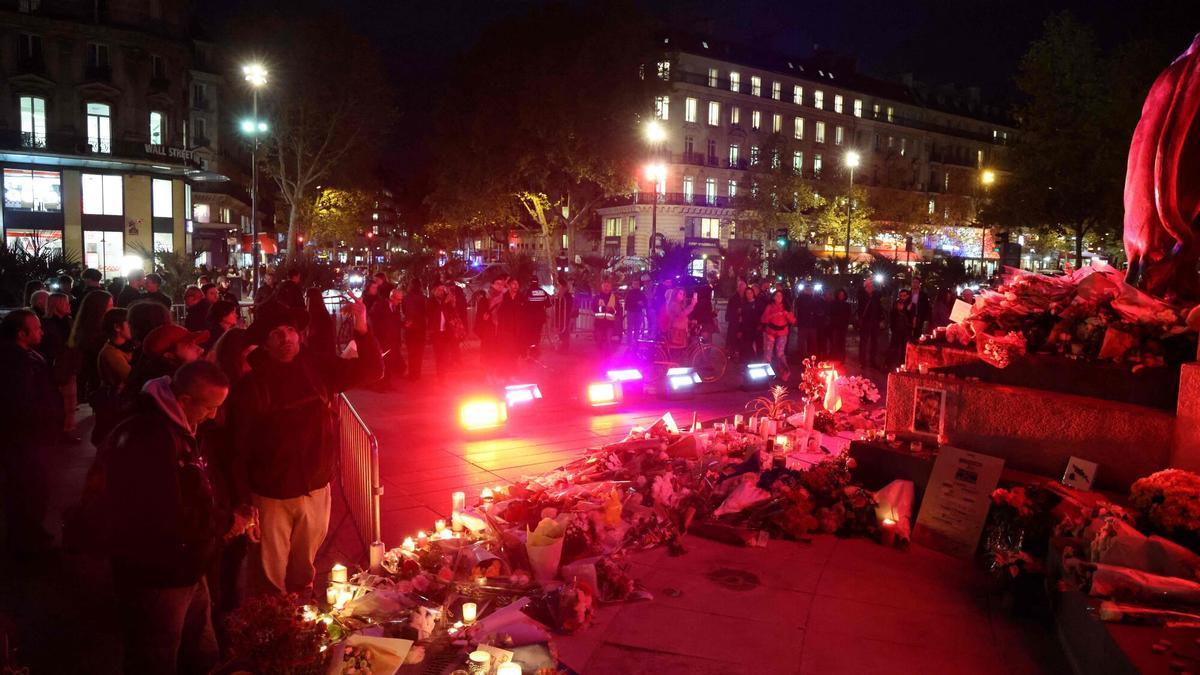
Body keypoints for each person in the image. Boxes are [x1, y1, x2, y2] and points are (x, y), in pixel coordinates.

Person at [230, 298, 381, 594]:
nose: (286, 338)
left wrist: (362, 328)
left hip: (315, 486)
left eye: (290, 330)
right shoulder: (251, 386)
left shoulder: (319, 368)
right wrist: (243, 501)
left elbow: (371, 370)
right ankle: (272, 618)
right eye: (276, 333)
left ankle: (302, 611)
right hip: (271, 493)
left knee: (304, 568)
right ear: (265, 343)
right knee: (269, 574)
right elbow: (237, 448)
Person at [105, 360, 234, 675]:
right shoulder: (149, 437)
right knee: (156, 656)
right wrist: (225, 524)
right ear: (185, 400)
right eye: (210, 407)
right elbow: (166, 516)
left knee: (202, 651)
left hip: (188, 564)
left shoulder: (179, 425)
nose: (213, 415)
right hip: (158, 574)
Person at [202, 329, 259, 652]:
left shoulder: (242, 390)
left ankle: (228, 627)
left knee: (232, 564)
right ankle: (224, 637)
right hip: (223, 495)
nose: (254, 364)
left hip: (231, 492)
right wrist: (240, 503)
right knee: (223, 569)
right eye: (249, 357)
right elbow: (228, 456)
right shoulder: (224, 398)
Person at [0, 309, 61, 555]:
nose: (42, 332)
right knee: (26, 487)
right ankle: (24, 541)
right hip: (24, 437)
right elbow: (21, 402)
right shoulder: (13, 362)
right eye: (36, 328)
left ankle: (31, 531)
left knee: (34, 487)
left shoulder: (28, 356)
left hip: (31, 434)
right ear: (21, 334)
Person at [126, 324, 208, 397]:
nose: (201, 349)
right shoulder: (172, 387)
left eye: (195, 344)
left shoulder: (144, 376)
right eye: (189, 346)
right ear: (169, 355)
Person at [39, 293, 78, 440]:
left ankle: (66, 430)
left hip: (68, 365)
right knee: (57, 401)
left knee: (70, 401)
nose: (69, 305)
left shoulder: (69, 321)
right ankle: (58, 431)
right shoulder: (46, 324)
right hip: (55, 367)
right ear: (57, 304)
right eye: (66, 303)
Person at [69, 290, 114, 404]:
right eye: (109, 306)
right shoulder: (93, 336)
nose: (112, 309)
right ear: (98, 309)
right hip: (94, 391)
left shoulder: (85, 331)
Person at [369, 286, 406, 387]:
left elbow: (395, 322)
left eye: (401, 299)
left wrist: (403, 324)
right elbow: (374, 320)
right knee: (383, 362)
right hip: (383, 339)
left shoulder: (395, 308)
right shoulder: (380, 305)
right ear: (392, 297)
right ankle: (381, 384)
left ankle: (387, 383)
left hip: (393, 340)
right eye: (398, 299)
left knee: (390, 362)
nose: (400, 302)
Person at [761, 290, 796, 379]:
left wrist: (786, 314)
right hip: (770, 332)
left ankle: (784, 373)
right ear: (773, 297)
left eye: (780, 296)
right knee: (768, 353)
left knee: (780, 354)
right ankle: (766, 373)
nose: (779, 297)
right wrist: (772, 315)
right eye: (777, 295)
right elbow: (763, 319)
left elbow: (793, 321)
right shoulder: (769, 306)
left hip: (782, 332)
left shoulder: (786, 307)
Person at [402, 279, 427, 381]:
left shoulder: (407, 298)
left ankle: (412, 374)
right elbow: (426, 312)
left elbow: (404, 310)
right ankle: (417, 373)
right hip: (421, 328)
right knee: (419, 352)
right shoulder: (423, 298)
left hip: (411, 328)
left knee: (411, 352)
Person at [856, 278, 884, 369]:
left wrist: (882, 284)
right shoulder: (862, 295)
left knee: (874, 342)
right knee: (864, 342)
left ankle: (872, 361)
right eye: (869, 286)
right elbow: (859, 292)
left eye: (872, 285)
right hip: (865, 321)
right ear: (865, 287)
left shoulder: (876, 295)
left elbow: (883, 294)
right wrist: (864, 284)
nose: (871, 287)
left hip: (875, 321)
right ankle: (862, 361)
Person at [793, 286, 821, 359]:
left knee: (812, 342)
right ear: (804, 290)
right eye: (807, 289)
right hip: (803, 324)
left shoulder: (814, 299)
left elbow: (817, 310)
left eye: (810, 289)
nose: (809, 291)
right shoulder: (800, 299)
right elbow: (797, 310)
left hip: (812, 324)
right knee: (802, 342)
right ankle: (802, 357)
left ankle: (812, 357)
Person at [887, 296, 915, 368]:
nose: (901, 306)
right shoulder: (894, 312)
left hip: (904, 333)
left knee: (904, 350)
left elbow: (909, 321)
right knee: (893, 349)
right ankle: (888, 364)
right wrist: (894, 330)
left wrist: (909, 327)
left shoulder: (906, 312)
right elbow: (892, 323)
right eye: (899, 304)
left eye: (902, 304)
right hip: (897, 333)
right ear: (896, 305)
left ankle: (902, 364)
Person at [593, 280, 620, 353]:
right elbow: (594, 308)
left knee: (609, 340)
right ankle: (600, 353)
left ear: (610, 287)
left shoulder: (614, 298)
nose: (606, 288)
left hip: (609, 322)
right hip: (599, 322)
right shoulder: (597, 297)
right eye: (604, 286)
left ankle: (608, 354)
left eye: (608, 286)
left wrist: (611, 310)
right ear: (601, 287)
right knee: (599, 341)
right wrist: (604, 309)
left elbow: (618, 310)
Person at [737, 286, 762, 361]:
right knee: (747, 345)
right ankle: (749, 360)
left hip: (755, 328)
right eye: (747, 293)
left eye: (750, 293)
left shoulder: (758, 303)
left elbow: (760, 315)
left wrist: (760, 325)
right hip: (746, 328)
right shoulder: (744, 305)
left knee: (756, 346)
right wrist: (740, 329)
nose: (749, 294)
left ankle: (756, 360)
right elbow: (741, 318)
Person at [827, 289, 852, 361]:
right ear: (837, 295)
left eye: (843, 295)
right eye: (840, 295)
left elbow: (848, 315)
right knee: (835, 343)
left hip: (843, 327)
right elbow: (830, 314)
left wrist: (846, 323)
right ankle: (834, 357)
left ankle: (841, 358)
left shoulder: (847, 305)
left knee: (842, 343)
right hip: (835, 326)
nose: (841, 296)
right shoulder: (833, 304)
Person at [725, 278, 747, 356]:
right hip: (735, 324)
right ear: (738, 288)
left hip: (744, 324)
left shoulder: (746, 298)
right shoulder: (733, 298)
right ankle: (732, 354)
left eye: (744, 288)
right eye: (741, 287)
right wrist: (736, 313)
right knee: (733, 340)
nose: (742, 290)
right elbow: (729, 312)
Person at [624, 277, 646, 344]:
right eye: (634, 284)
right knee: (630, 327)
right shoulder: (630, 293)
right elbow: (627, 302)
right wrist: (636, 303)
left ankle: (636, 340)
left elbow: (645, 302)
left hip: (638, 312)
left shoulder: (641, 293)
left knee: (637, 327)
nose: (636, 285)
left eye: (637, 284)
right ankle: (629, 341)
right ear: (632, 285)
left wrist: (642, 304)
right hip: (631, 311)